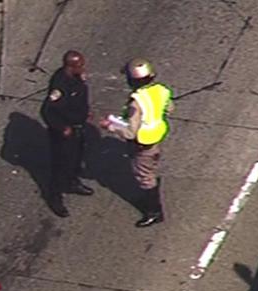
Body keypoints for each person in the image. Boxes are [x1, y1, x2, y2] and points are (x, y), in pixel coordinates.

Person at [100, 58, 173, 227]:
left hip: (142, 144)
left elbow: (131, 132)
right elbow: (169, 108)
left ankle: (154, 211)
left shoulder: (137, 102)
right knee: (150, 169)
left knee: (144, 177)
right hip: (155, 138)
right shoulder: (160, 91)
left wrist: (110, 126)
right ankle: (151, 193)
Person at [40, 50, 94, 218]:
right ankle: (54, 197)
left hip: (78, 126)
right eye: (80, 65)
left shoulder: (77, 78)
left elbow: (79, 99)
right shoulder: (60, 85)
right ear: (70, 66)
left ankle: (72, 182)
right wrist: (61, 127)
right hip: (64, 133)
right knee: (61, 164)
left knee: (76, 158)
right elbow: (47, 111)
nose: (83, 68)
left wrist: (85, 113)